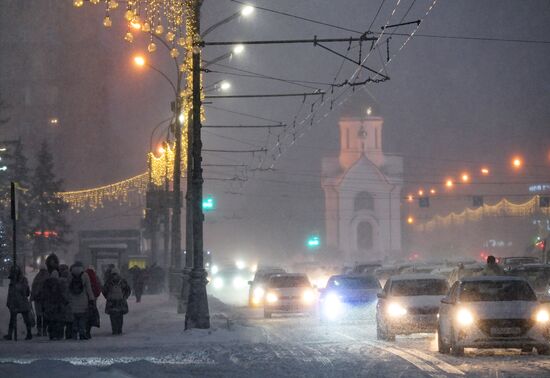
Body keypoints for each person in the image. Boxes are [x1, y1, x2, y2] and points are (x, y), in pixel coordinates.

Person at [4, 265, 33, 340]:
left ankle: (28, 333)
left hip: (19, 302)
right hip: (18, 302)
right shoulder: (18, 280)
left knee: (23, 319)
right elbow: (26, 292)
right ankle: (12, 334)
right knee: (18, 319)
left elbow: (26, 292)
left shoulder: (18, 280)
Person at [68, 261, 94, 340]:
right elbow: (89, 289)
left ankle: (74, 333)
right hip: (83, 301)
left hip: (72, 301)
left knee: (74, 319)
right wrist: (91, 299)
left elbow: (67, 289)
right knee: (82, 318)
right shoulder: (85, 275)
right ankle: (82, 333)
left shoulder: (69, 275)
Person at [102, 267, 131, 335]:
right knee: (120, 316)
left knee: (113, 317)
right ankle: (119, 330)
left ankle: (114, 330)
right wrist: (125, 297)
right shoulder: (123, 281)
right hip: (120, 301)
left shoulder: (109, 281)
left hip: (111, 302)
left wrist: (108, 297)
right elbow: (128, 290)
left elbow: (104, 290)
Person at [41, 269, 67, 340]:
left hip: (49, 305)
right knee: (58, 321)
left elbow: (43, 294)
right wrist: (65, 302)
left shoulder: (46, 283)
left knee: (50, 321)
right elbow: (60, 295)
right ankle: (59, 335)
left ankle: (51, 334)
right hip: (57, 305)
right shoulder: (58, 283)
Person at [30, 264, 49, 336]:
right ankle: (44, 330)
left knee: (39, 315)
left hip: (38, 299)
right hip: (46, 299)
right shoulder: (48, 276)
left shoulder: (37, 277)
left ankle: (39, 330)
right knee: (45, 315)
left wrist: (31, 298)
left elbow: (34, 288)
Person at [85, 265, 102, 339]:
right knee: (91, 314)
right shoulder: (95, 277)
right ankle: (88, 330)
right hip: (93, 298)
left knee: (83, 314)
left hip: (83, 298)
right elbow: (98, 287)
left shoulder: (83, 276)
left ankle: (83, 329)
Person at [58, 264, 73, 339]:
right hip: (70, 302)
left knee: (61, 321)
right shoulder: (71, 280)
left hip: (61, 302)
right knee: (69, 321)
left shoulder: (59, 281)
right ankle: (69, 335)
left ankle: (60, 335)